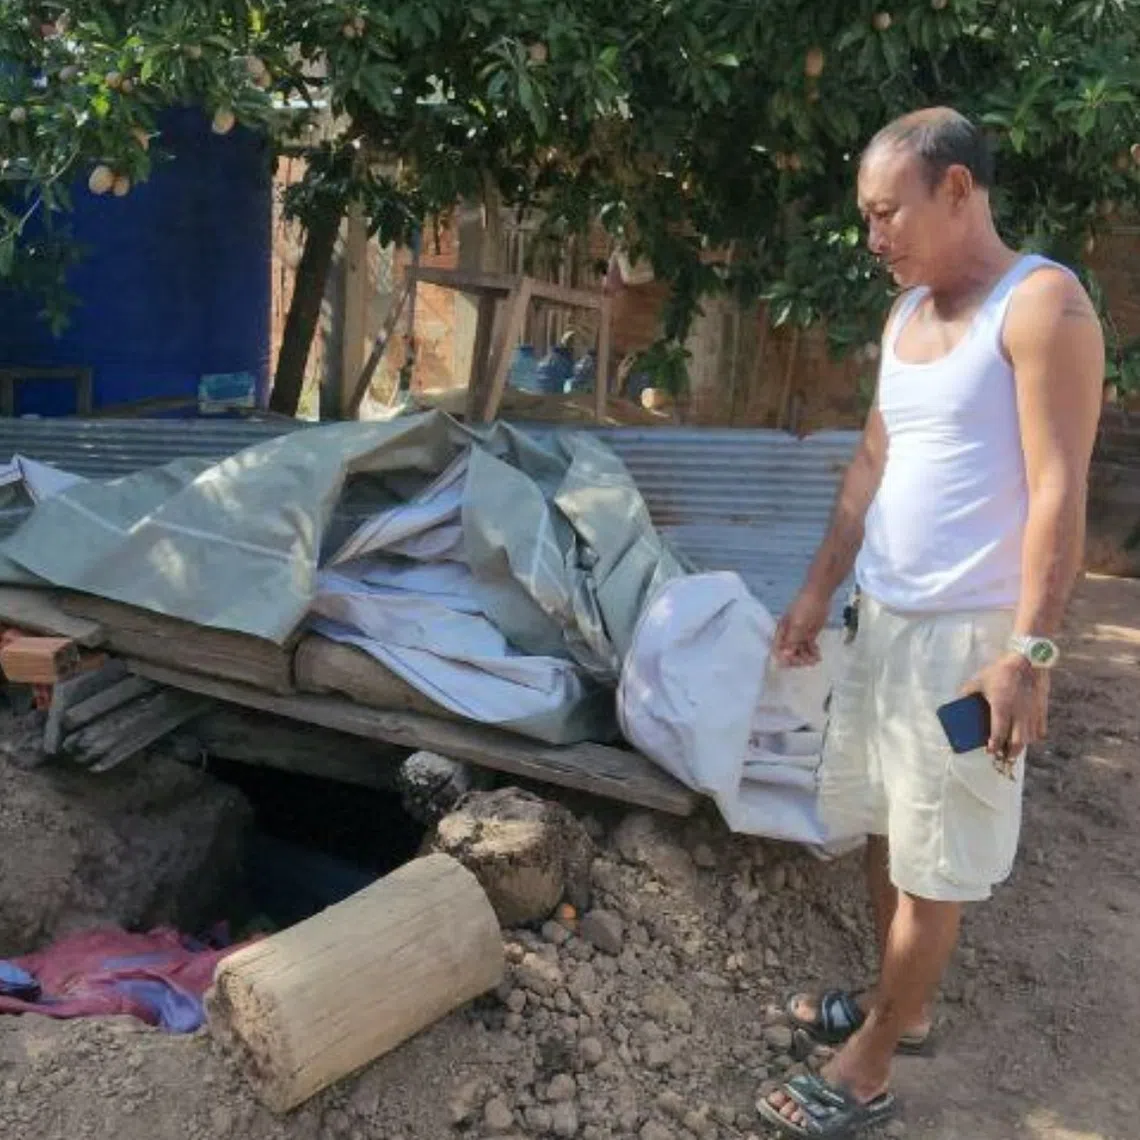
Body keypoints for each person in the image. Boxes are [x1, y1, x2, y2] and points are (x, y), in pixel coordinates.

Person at [758, 107, 1105, 1138]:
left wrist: (1028, 654)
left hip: (970, 643)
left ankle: (866, 1068)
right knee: (888, 832)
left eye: (886, 214)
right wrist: (822, 588)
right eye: (865, 219)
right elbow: (873, 463)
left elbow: (1059, 492)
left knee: (937, 856)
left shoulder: (1042, 307)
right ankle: (895, 1008)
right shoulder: (905, 318)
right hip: (887, 623)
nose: (874, 239)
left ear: (957, 189)